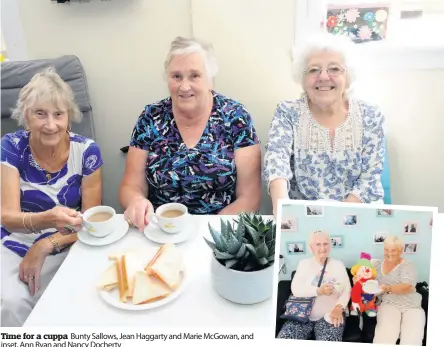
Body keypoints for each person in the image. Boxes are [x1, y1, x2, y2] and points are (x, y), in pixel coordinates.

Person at [119, 36, 261, 230]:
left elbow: (250, 197)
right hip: (161, 229)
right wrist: (136, 201)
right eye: (176, 76)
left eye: (194, 75)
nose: (184, 86)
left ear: (210, 80)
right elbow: (130, 185)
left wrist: (211, 230)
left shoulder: (237, 118)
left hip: (219, 231)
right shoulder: (150, 117)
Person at [1, 67, 103, 326]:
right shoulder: (11, 147)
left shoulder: (87, 151)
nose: (50, 124)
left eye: (59, 114)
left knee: (72, 301)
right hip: (14, 241)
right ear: (26, 116)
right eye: (40, 114)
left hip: (66, 240)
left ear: (69, 116)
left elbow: (91, 222)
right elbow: (7, 217)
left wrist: (46, 245)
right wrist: (47, 219)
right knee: (11, 302)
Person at [263, 33, 386, 215]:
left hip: (358, 215)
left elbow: (369, 180)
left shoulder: (370, 116)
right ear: (302, 79)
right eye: (313, 70)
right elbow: (276, 162)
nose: (323, 77)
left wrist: (338, 222)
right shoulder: (287, 112)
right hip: (305, 217)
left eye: (334, 69)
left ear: (348, 77)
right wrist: (283, 210)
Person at [277, 230, 351, 341]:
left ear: (330, 246)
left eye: (325, 244)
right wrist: (318, 291)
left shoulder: (338, 265)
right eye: (318, 244)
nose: (323, 248)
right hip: (301, 315)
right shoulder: (304, 264)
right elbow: (296, 289)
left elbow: (347, 289)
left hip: (329, 314)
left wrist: (339, 308)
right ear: (311, 247)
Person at [372, 236, 425, 345]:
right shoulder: (377, 265)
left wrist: (388, 288)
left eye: (393, 250)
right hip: (388, 304)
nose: (389, 253)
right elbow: (367, 280)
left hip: (411, 305)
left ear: (400, 250)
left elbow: (408, 287)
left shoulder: (407, 265)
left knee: (412, 340)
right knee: (384, 337)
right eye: (386, 249)